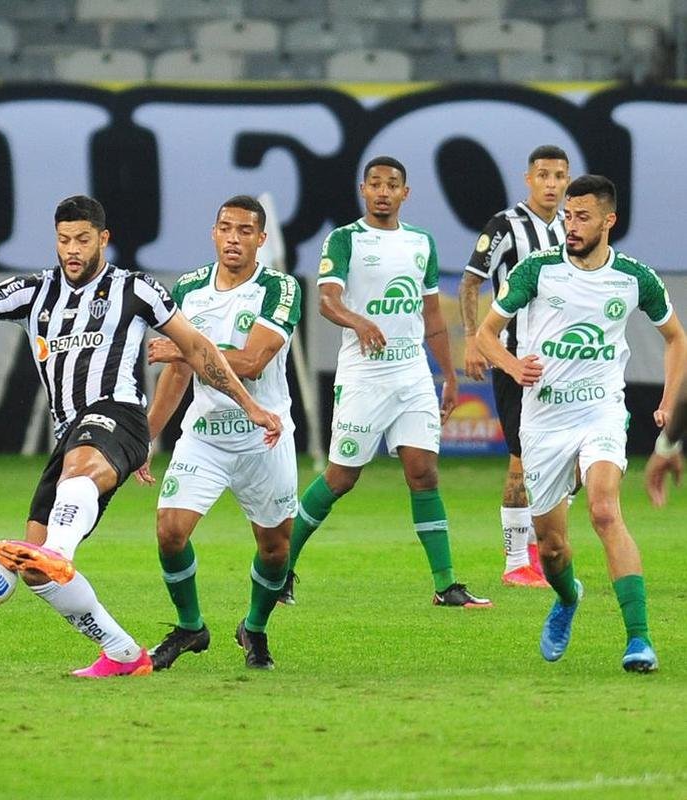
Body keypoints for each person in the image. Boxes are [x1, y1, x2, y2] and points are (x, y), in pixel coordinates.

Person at [0, 195, 282, 678]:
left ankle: (60, 548)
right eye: (63, 240)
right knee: (37, 574)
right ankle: (124, 653)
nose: (72, 250)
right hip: (70, 433)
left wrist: (250, 406)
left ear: (103, 239)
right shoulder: (35, 290)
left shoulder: (136, 289)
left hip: (118, 415)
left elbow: (197, 348)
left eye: (82, 239)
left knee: (72, 492)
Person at [477, 175, 685, 672]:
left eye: (583, 217)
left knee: (605, 511)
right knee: (550, 547)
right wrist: (512, 367)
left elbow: (677, 338)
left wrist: (668, 399)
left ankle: (639, 640)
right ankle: (568, 598)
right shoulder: (537, 271)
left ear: (609, 220)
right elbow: (486, 335)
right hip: (544, 420)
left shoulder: (634, 278)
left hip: (602, 410)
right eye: (568, 216)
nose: (571, 226)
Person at [278, 156, 491, 609]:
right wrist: (358, 322)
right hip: (364, 377)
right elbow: (327, 300)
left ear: (404, 193)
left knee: (423, 472)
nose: (382, 191)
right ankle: (281, 569)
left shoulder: (421, 243)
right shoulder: (346, 240)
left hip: (412, 373)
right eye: (375, 183)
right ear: (363, 189)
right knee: (340, 478)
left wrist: (449, 376)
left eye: (392, 184)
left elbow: (432, 314)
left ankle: (446, 584)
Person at [142, 195, 300, 670]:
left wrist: (184, 350)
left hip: (263, 436)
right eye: (226, 228)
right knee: (170, 531)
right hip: (205, 438)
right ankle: (191, 627)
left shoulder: (280, 287)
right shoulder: (189, 289)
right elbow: (177, 376)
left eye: (245, 231)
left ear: (261, 240)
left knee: (275, 551)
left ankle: (253, 627)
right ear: (213, 233)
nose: (234, 238)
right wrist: (145, 438)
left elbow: (252, 362)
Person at [461, 145, 570, 588]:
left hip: (563, 364)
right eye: (542, 175)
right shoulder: (505, 226)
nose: (551, 183)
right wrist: (472, 340)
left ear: (567, 181)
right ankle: (515, 562)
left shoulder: (571, 227)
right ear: (528, 179)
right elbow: (471, 282)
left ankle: (537, 546)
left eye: (559, 176)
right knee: (521, 461)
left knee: (569, 463)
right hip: (514, 360)